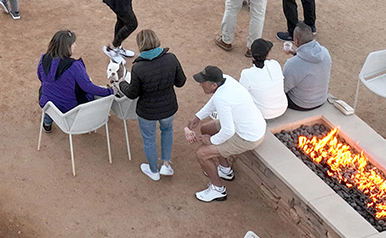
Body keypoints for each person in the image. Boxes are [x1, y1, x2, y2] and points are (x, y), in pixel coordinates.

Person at [183, 65, 266, 202]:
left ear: (214, 85)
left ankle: (218, 190)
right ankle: (225, 170)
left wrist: (211, 141)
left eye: (203, 82)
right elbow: (214, 100)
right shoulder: (225, 80)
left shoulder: (222, 98)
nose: (200, 84)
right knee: (206, 129)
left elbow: (228, 131)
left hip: (247, 137)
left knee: (202, 154)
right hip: (247, 126)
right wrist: (198, 117)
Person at [119, 27, 184, 181]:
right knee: (167, 130)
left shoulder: (138, 68)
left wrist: (121, 83)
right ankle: (166, 165)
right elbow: (180, 82)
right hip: (168, 108)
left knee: (149, 139)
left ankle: (153, 171)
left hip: (147, 112)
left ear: (140, 45)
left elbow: (132, 93)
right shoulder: (171, 59)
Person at [37, 29, 111, 129]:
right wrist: (110, 91)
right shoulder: (74, 66)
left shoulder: (43, 59)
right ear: (67, 47)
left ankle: (47, 123)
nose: (75, 45)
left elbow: (40, 77)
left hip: (48, 103)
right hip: (70, 109)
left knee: (50, 93)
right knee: (91, 90)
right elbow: (89, 88)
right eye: (73, 44)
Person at [281, 25, 331, 112]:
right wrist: (295, 53)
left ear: (296, 40)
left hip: (300, 104)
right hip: (321, 99)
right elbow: (308, 63)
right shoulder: (325, 52)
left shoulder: (292, 64)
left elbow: (284, 88)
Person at [240, 38, 287, 120]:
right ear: (267, 54)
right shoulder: (275, 64)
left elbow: (241, 95)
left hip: (262, 114)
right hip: (282, 108)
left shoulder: (246, 74)